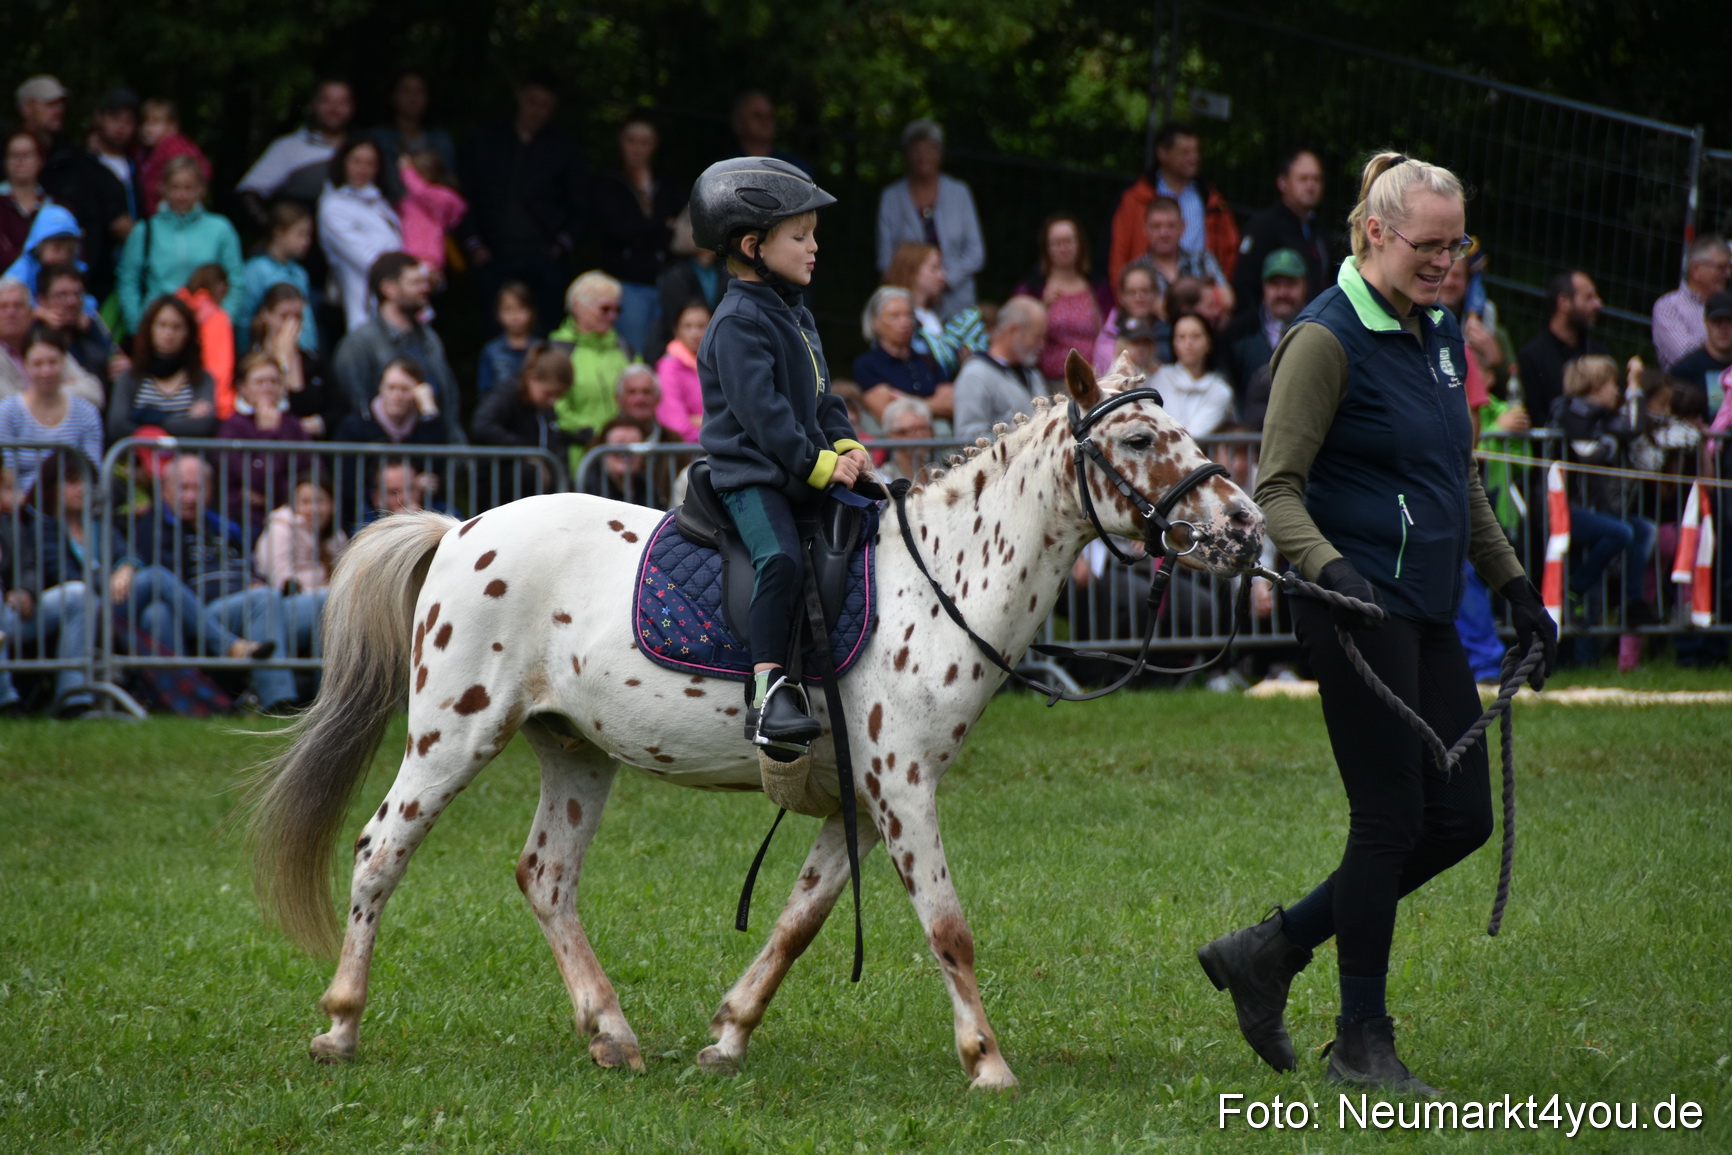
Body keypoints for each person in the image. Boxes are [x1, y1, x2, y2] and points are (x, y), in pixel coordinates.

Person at [1199, 152, 1556, 1094]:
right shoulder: (1325, 338)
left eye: (1456, 245)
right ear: (1374, 232)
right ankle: (1362, 1038)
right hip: (1351, 606)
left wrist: (1516, 588)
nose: (1445, 263)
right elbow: (1275, 490)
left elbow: (1459, 477)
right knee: (1391, 817)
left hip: (1426, 607)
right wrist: (1330, 569)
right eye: (1429, 245)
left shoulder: (1440, 333)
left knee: (1463, 817)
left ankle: (1270, 948)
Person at [689, 156, 867, 755]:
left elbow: (822, 397)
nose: (814, 248)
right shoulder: (737, 322)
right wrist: (820, 464)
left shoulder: (795, 312)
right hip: (753, 476)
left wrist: (846, 444)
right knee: (782, 559)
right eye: (800, 236)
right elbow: (765, 418)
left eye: (813, 235)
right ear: (753, 246)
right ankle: (769, 693)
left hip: (799, 466)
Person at [111, 453, 296, 710]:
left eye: (197, 488)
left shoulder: (225, 526)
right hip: (198, 611)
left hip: (241, 603)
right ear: (164, 489)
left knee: (319, 601)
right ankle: (275, 699)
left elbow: (249, 566)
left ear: (210, 491)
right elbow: (165, 583)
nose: (190, 497)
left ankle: (333, 703)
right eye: (182, 488)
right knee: (159, 612)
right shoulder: (153, 525)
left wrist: (255, 581)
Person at [460, 75, 587, 333]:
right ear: (520, 97)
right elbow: (467, 193)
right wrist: (473, 242)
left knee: (546, 330)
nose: (536, 110)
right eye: (531, 101)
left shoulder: (563, 147)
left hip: (544, 256)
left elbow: (581, 204)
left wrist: (562, 245)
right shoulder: (488, 138)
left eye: (545, 104)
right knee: (495, 331)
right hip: (493, 254)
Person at [1553, 355, 1658, 631]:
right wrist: (1610, 442)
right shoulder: (1572, 413)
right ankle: (1573, 589)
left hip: (1593, 508)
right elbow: (1588, 454)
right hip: (1564, 507)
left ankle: (1633, 603)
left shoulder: (1600, 416)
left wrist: (1635, 387)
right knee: (1620, 532)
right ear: (1594, 387)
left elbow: (1632, 427)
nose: (1617, 391)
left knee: (1644, 529)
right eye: (1613, 384)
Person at [332, 252, 462, 442]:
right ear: (389, 289)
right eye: (415, 283)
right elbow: (356, 408)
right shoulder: (359, 345)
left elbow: (449, 400)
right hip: (383, 454)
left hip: (435, 450)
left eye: (424, 282)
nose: (425, 288)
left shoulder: (429, 339)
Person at [590, 109, 684, 357]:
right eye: (631, 141)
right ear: (620, 141)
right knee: (632, 354)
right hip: (626, 283)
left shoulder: (666, 182)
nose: (637, 149)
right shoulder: (608, 181)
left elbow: (681, 226)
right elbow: (617, 230)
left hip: (665, 280)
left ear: (655, 145)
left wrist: (648, 228)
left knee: (666, 356)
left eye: (645, 142)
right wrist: (661, 225)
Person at [114, 157, 245, 335]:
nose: (181, 195)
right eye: (174, 187)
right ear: (163, 188)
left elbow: (236, 281)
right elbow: (128, 281)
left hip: (206, 326)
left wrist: (223, 321)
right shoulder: (144, 230)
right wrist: (138, 326)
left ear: (201, 189)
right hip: (158, 327)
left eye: (188, 188)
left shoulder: (220, 229)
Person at [1108, 121, 1240, 286]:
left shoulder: (1212, 200)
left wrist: (1217, 288)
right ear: (1162, 153)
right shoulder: (1136, 198)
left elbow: (1230, 248)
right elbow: (1119, 253)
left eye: (1196, 152)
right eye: (1185, 153)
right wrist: (1127, 294)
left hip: (1199, 293)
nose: (1193, 158)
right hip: (1148, 291)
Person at [875, 119, 984, 316]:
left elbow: (976, 252)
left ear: (940, 154)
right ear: (906, 155)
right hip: (909, 302)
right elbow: (885, 258)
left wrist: (945, 279)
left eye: (930, 150)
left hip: (958, 302)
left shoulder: (959, 192)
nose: (923, 157)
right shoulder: (891, 197)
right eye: (916, 150)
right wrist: (916, 286)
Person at [235, 79, 355, 227]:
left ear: (352, 107)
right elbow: (248, 193)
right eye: (327, 101)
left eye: (342, 102)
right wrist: (275, 232)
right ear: (314, 104)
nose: (334, 108)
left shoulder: (363, 150)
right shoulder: (289, 147)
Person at [1014, 214, 1115, 385]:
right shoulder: (1033, 289)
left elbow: (1112, 332)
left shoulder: (1098, 287)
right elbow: (1016, 334)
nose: (1063, 248)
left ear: (1080, 244)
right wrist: (1040, 307)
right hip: (1046, 383)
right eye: (1057, 243)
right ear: (1046, 248)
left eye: (1068, 241)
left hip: (1094, 381)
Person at [0, 328, 103, 496]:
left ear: (63, 363)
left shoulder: (86, 413)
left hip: (74, 502)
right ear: (25, 365)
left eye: (53, 362)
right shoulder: (8, 412)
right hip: (23, 505)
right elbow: (7, 474)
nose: (46, 371)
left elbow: (92, 471)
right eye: (38, 364)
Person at [217, 353, 313, 531]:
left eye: (274, 382)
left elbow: (309, 471)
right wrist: (268, 433)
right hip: (246, 519)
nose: (268, 388)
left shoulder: (293, 425)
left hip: (292, 515)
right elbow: (255, 480)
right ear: (243, 387)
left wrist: (277, 494)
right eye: (260, 382)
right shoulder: (231, 428)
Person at [549, 270, 632, 474]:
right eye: (605, 309)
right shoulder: (558, 350)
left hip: (623, 459)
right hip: (575, 458)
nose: (613, 316)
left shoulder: (625, 349)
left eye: (617, 310)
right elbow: (553, 407)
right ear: (578, 307)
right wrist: (597, 433)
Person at [470, 341, 577, 498]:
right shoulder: (505, 396)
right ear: (531, 377)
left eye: (558, 395)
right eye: (548, 393)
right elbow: (482, 426)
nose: (553, 401)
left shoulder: (542, 408)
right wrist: (526, 451)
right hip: (499, 491)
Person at [253, 474, 344, 658]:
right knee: (331, 603)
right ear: (293, 505)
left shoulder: (336, 538)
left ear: (333, 505)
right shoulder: (280, 529)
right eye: (305, 502)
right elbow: (282, 583)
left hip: (324, 608)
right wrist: (328, 592)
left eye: (320, 501)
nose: (313, 509)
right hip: (280, 611)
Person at [1231, 148, 1330, 315]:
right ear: (1283, 182)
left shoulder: (1319, 231)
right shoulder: (1262, 227)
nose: (1311, 185)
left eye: (1316, 179)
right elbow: (1244, 286)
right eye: (1303, 179)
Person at [318, 138, 402, 334]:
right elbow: (367, 259)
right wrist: (411, 274)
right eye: (356, 161)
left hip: (395, 295)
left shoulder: (379, 201)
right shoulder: (333, 205)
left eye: (370, 163)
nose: (363, 169)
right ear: (343, 163)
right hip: (362, 304)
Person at [107, 295, 217, 443]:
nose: (169, 333)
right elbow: (116, 426)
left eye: (177, 327)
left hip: (185, 456)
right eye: (162, 325)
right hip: (137, 456)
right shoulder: (130, 377)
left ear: (188, 333)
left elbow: (202, 426)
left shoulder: (202, 379)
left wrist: (142, 418)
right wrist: (183, 418)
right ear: (150, 328)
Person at [247, 282, 347, 438]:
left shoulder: (315, 361)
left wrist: (316, 423)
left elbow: (338, 408)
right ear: (266, 315)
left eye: (297, 317)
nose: (292, 325)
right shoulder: (249, 361)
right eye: (284, 317)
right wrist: (282, 362)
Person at [1516, 269, 1607, 424]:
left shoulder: (1599, 354)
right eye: (1588, 298)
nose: (1598, 304)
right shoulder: (1532, 357)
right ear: (1564, 302)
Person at [1219, 248, 1308, 405]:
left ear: (1305, 286)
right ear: (1263, 287)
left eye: (1291, 284)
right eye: (1275, 284)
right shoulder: (1237, 334)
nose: (1282, 293)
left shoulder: (1320, 329)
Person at [853, 286, 951, 424]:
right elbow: (886, 412)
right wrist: (932, 405)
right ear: (875, 323)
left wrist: (905, 401)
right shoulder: (867, 364)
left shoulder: (927, 360)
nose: (905, 322)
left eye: (909, 315)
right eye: (895, 316)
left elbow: (950, 404)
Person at [954, 295, 1045, 439]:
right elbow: (967, 437)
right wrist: (1016, 435)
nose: (1041, 345)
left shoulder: (1032, 374)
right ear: (1013, 330)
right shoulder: (975, 374)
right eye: (1036, 337)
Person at [1126, 197, 1233, 318]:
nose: (1163, 233)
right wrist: (1204, 303)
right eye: (1156, 226)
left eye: (1171, 226)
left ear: (1182, 227)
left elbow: (1228, 299)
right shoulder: (1136, 270)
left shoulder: (1203, 259)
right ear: (1145, 229)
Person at [0, 276, 98, 409]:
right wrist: (56, 391)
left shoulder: (45, 343)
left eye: (18, 306)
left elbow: (93, 393)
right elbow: (9, 409)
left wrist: (45, 395)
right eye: (3, 307)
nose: (11, 313)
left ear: (31, 313)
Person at [236, 198, 319, 354]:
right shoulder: (256, 270)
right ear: (278, 233)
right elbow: (243, 319)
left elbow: (307, 321)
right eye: (300, 234)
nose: (306, 241)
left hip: (302, 353)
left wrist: (311, 350)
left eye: (308, 235)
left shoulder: (300, 273)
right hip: (266, 352)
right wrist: (247, 354)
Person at [648, 207, 730, 361]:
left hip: (722, 348)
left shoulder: (728, 270)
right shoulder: (674, 275)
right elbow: (675, 319)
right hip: (682, 353)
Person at [368, 69, 458, 195]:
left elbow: (448, 184)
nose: (413, 98)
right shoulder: (378, 138)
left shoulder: (441, 140)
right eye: (406, 91)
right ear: (393, 96)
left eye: (419, 92)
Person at [1651, 235, 1730, 371]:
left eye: (1729, 268)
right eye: (1721, 268)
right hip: (1689, 383)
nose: (1728, 274)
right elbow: (1686, 357)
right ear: (1696, 270)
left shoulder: (1728, 305)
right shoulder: (1669, 307)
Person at [1150, 313, 1234, 438]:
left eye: (1196, 336)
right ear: (1173, 343)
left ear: (1209, 342)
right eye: (1181, 337)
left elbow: (1195, 433)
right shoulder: (1159, 377)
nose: (1188, 343)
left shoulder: (1220, 390)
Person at [34, 263, 118, 389]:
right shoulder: (33, 335)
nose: (72, 302)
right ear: (42, 300)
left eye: (78, 294)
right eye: (62, 295)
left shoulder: (91, 327)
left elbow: (111, 358)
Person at [395, 151, 465, 288]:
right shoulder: (414, 199)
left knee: (419, 293)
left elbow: (420, 191)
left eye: (415, 173)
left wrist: (406, 170)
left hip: (427, 257)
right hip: (409, 256)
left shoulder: (440, 197)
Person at [174, 264, 235, 417]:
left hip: (168, 401)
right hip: (206, 406)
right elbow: (219, 369)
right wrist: (218, 408)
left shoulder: (173, 309)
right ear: (221, 286)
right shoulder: (216, 318)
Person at [136, 98, 212, 219]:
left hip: (177, 212)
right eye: (144, 123)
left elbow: (199, 173)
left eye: (155, 123)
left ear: (172, 126)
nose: (148, 128)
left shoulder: (175, 147)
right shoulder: (147, 152)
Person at [1092, 263, 1170, 374]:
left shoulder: (1167, 329)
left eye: (1145, 291)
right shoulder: (1109, 335)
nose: (1139, 297)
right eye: (1132, 292)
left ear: (1156, 293)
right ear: (1121, 296)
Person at [653, 299, 709, 441]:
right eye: (687, 326)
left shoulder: (719, 364)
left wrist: (698, 420)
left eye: (701, 326)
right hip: (686, 450)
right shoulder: (668, 367)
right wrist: (715, 433)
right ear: (676, 331)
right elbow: (675, 423)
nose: (695, 333)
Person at [1668, 290, 1732, 413]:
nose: (1723, 328)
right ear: (1706, 323)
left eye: (1729, 321)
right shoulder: (1685, 370)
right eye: (1717, 321)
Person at [727, 91, 811, 175]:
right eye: (757, 115)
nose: (764, 121)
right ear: (739, 123)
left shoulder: (794, 167)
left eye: (769, 116)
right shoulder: (727, 168)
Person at [0, 130, 49, 272]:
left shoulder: (53, 207)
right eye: (14, 155)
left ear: (40, 160)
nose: (19, 161)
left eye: (26, 155)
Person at [477, 281, 536, 395]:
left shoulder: (541, 349)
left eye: (521, 308)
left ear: (531, 312)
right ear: (498, 313)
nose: (515, 316)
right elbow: (485, 394)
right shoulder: (491, 351)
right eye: (508, 309)